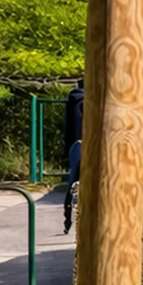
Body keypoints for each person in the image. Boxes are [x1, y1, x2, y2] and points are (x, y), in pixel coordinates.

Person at [63, 80, 82, 234]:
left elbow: (68, 128)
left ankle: (69, 217)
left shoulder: (74, 99)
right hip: (92, 143)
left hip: (76, 144)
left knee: (74, 182)